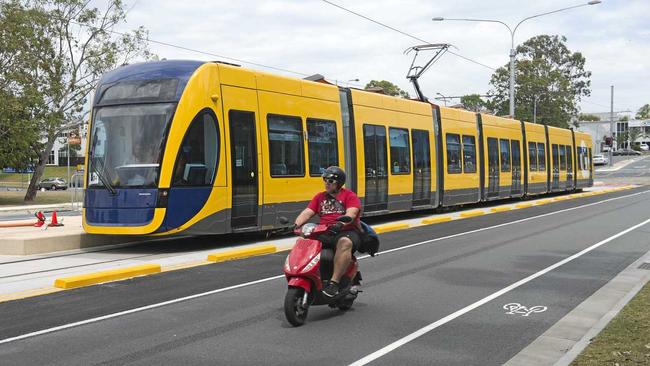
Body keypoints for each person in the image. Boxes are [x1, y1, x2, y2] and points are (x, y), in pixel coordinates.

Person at [293, 166, 362, 298]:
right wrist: (297, 224)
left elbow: (352, 213)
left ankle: (334, 283)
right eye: (325, 180)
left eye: (330, 181)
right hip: (324, 231)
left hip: (345, 231)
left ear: (339, 183)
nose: (326, 183)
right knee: (304, 242)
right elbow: (307, 212)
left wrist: (340, 224)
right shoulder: (319, 197)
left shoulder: (349, 196)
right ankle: (307, 276)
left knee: (345, 243)